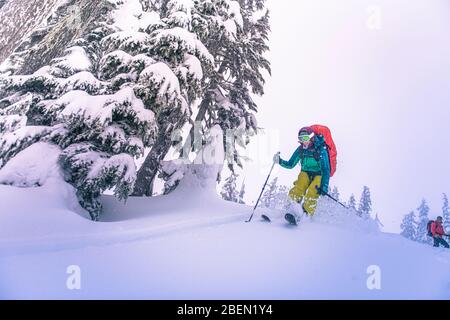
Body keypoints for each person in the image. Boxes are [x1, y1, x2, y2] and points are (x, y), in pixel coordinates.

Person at [273, 127, 331, 218]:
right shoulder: (301, 149)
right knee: (300, 184)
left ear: (311, 137)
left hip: (319, 174)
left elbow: (326, 169)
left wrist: (324, 186)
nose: (304, 141)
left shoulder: (321, 150)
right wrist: (280, 161)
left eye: (305, 138)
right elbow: (290, 164)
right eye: (301, 139)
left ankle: (306, 213)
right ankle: (292, 206)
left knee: (313, 191)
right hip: (306, 172)